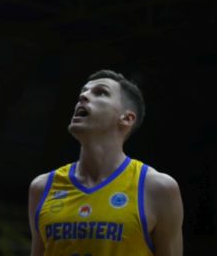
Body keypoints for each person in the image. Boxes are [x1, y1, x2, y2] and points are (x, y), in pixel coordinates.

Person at [27, 70, 183, 256]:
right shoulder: (42, 187)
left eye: (101, 92)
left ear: (126, 118)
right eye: (83, 92)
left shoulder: (158, 188)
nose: (83, 96)